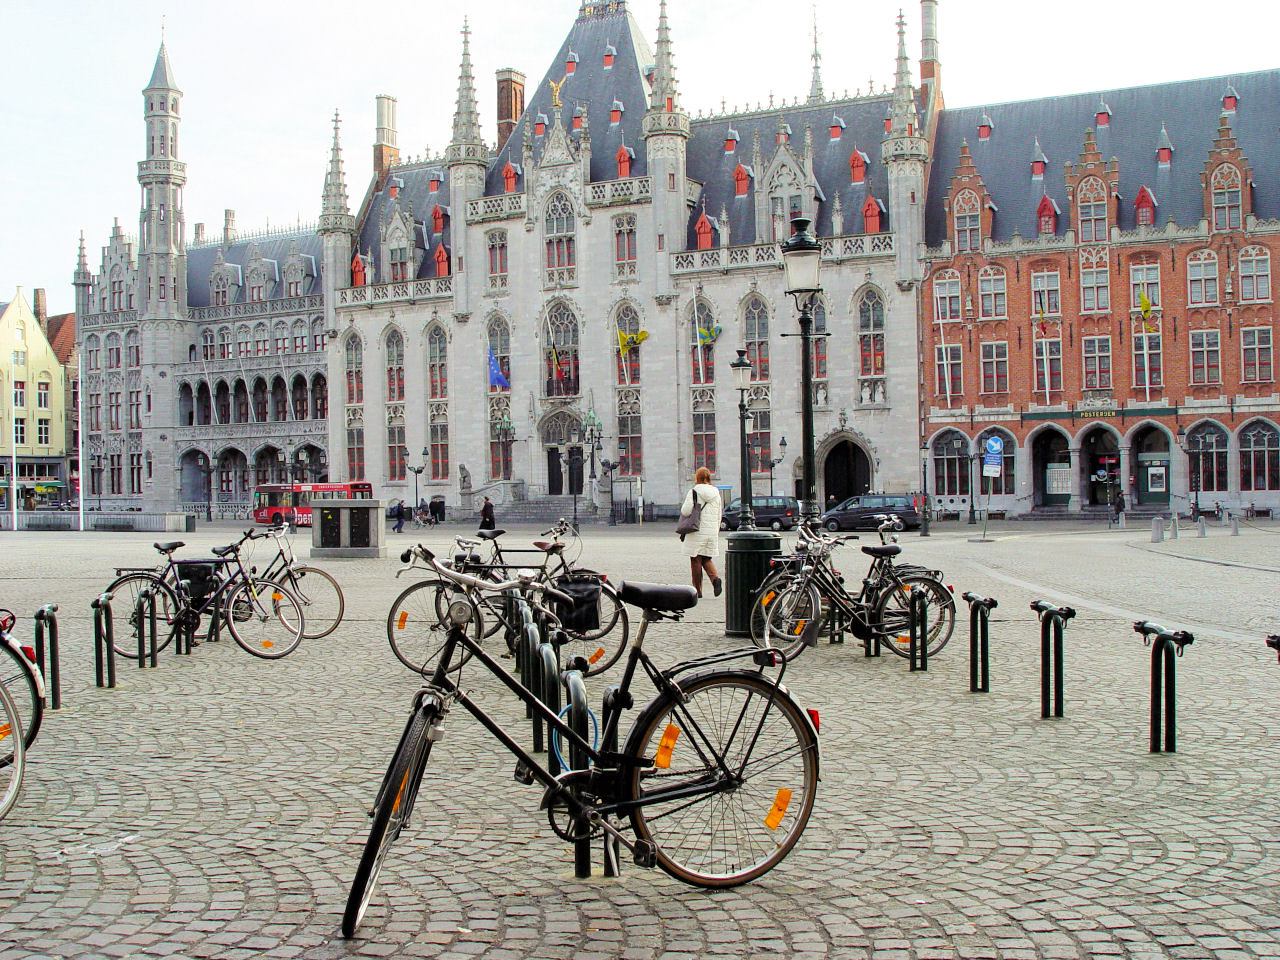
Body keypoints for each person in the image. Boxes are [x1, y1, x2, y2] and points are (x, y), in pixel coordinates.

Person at [680, 467, 724, 598]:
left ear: (697, 478)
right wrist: (715, 531)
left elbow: (686, 511)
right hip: (711, 531)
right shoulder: (716, 493)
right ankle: (715, 579)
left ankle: (697, 591)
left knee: (695, 559)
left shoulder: (694, 491)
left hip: (697, 530)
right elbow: (719, 515)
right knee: (706, 558)